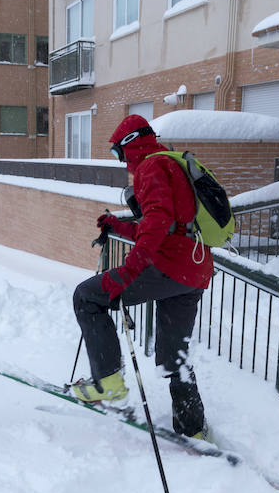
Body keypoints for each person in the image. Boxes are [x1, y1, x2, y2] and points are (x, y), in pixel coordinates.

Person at [72, 114, 213, 439]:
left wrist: (126, 274)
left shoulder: (150, 167)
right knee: (173, 356)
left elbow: (159, 221)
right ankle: (194, 431)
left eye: (117, 154)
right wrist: (120, 227)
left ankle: (107, 382)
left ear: (130, 145)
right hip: (194, 268)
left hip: (170, 266)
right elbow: (167, 225)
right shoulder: (168, 164)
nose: (121, 162)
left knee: (87, 296)